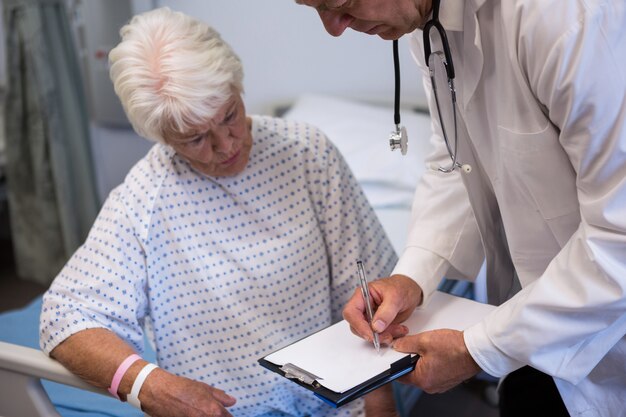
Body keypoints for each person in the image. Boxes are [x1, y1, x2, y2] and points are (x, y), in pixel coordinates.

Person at [38, 7, 401, 417]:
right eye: (195, 139)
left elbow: (372, 288)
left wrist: (380, 398)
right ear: (163, 137)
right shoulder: (145, 198)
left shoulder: (306, 153)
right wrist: (150, 385)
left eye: (230, 116)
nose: (226, 145)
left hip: (337, 403)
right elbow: (64, 318)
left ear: (237, 85)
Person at [296, 1, 626, 416]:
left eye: (341, 3)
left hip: (609, 331)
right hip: (533, 330)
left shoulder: (565, 19)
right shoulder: (424, 23)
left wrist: (477, 350)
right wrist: (413, 275)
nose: (334, 28)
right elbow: (457, 159)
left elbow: (620, 235)